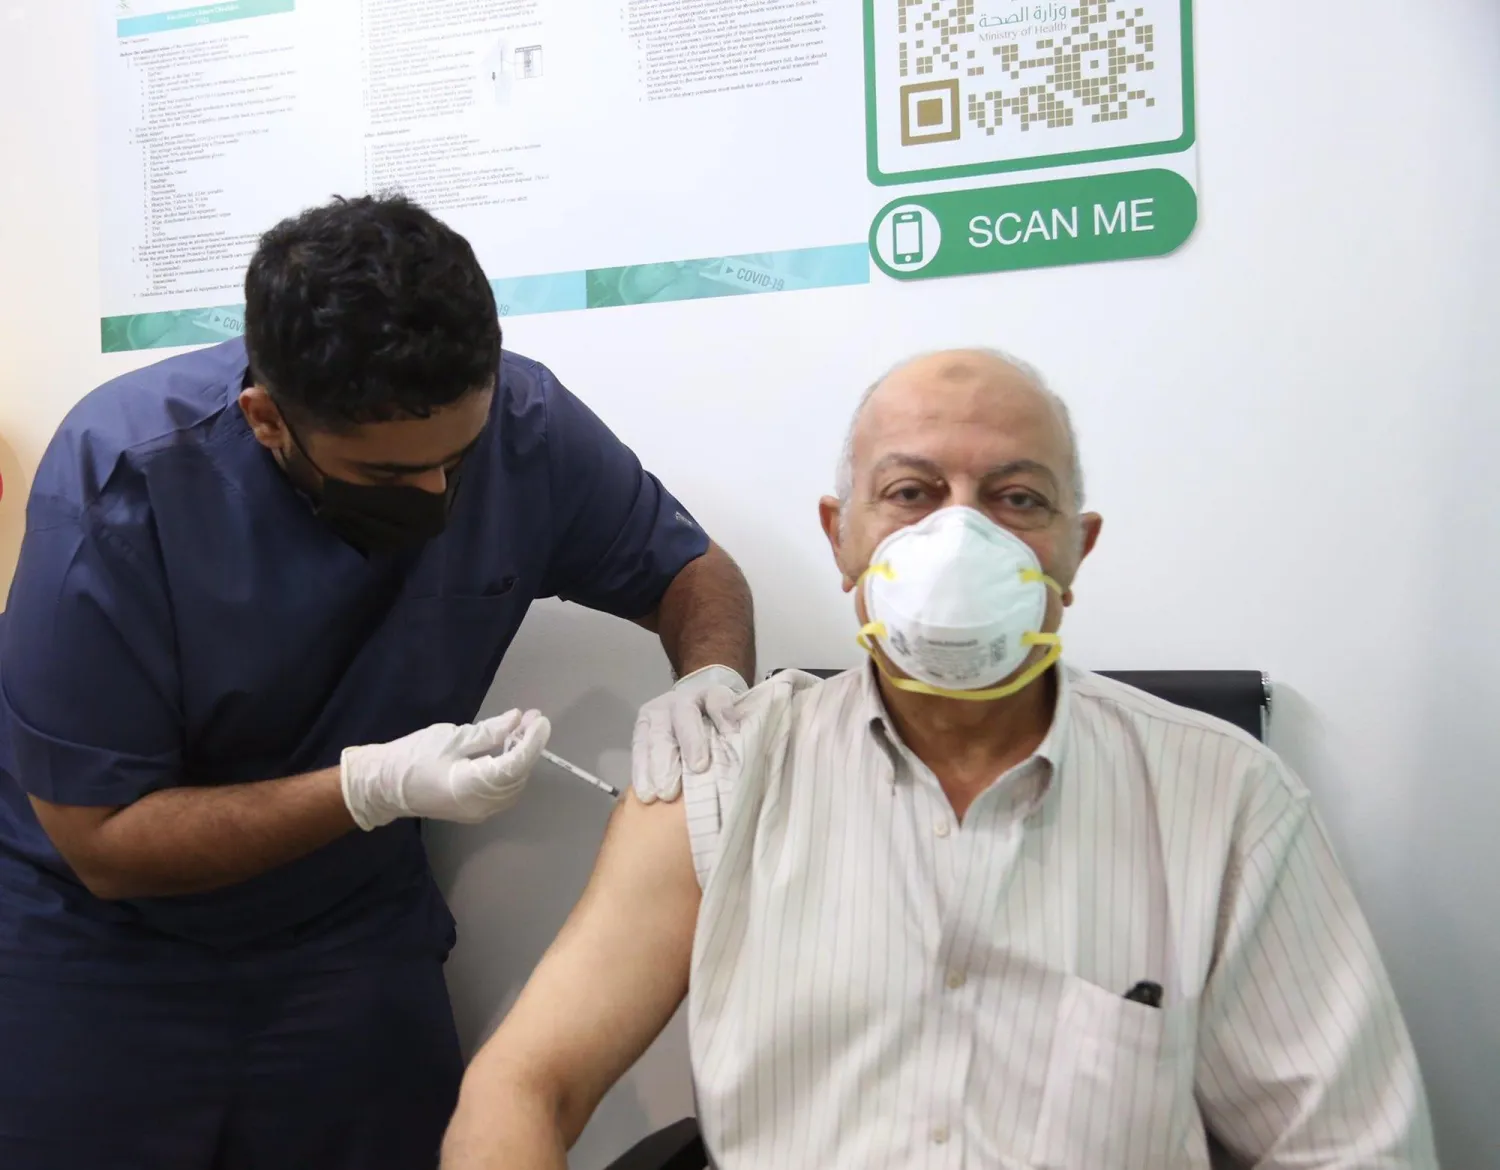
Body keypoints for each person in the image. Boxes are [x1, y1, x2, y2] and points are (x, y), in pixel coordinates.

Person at [442, 348, 1439, 1170]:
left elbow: (1349, 1148)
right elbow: (527, 1084)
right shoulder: (722, 779)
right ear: (843, 542)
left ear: (1074, 552)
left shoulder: (1228, 804)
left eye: (1015, 498)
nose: (960, 537)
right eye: (913, 492)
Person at [0, 193, 754, 1170]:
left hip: (345, 941)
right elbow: (104, 841)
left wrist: (714, 676)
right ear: (267, 421)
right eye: (390, 476)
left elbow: (695, 573)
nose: (439, 494)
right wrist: (373, 788)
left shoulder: (523, 425)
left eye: (459, 459)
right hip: (99, 946)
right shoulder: (123, 481)